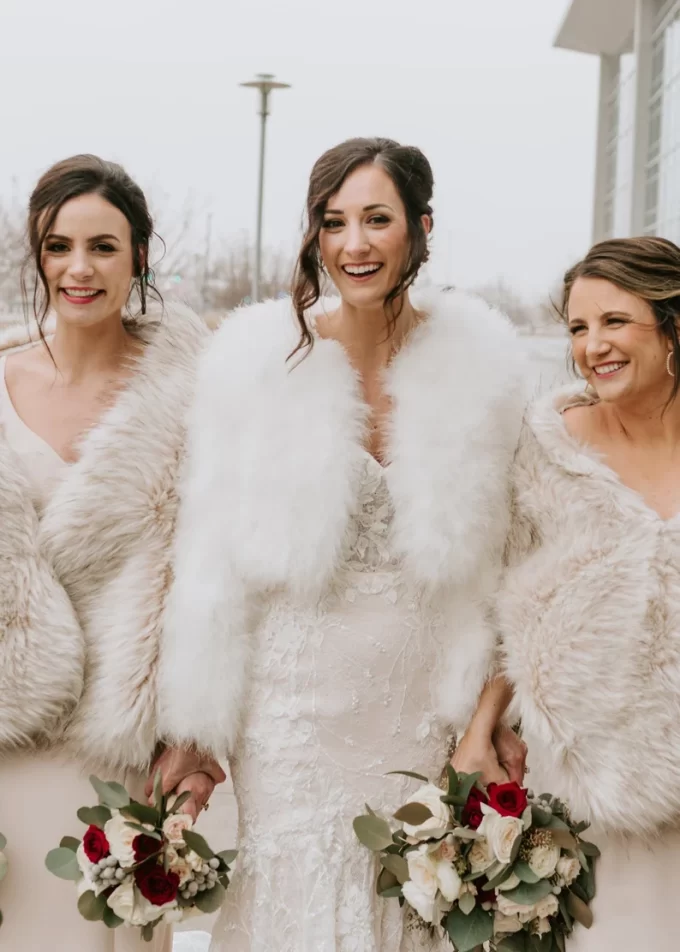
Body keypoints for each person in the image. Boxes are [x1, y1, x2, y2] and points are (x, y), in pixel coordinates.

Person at [159, 136, 528, 951]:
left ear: (420, 228)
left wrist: (490, 711)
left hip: (427, 706)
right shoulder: (253, 363)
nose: (353, 243)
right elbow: (209, 556)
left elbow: (516, 565)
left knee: (414, 903)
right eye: (334, 222)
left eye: (376, 219)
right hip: (289, 712)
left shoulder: (486, 370)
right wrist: (193, 721)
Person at [0, 154, 224, 951]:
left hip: (127, 745)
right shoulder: (0, 379)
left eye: (103, 245)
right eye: (58, 246)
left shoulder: (197, 392)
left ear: (140, 256)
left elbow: (221, 573)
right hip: (8, 736)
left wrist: (199, 726)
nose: (79, 267)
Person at [494, 236, 680, 950]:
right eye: (577, 327)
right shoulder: (546, 448)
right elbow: (500, 599)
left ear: (671, 327)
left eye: (614, 322)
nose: (592, 345)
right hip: (586, 788)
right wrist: (483, 729)